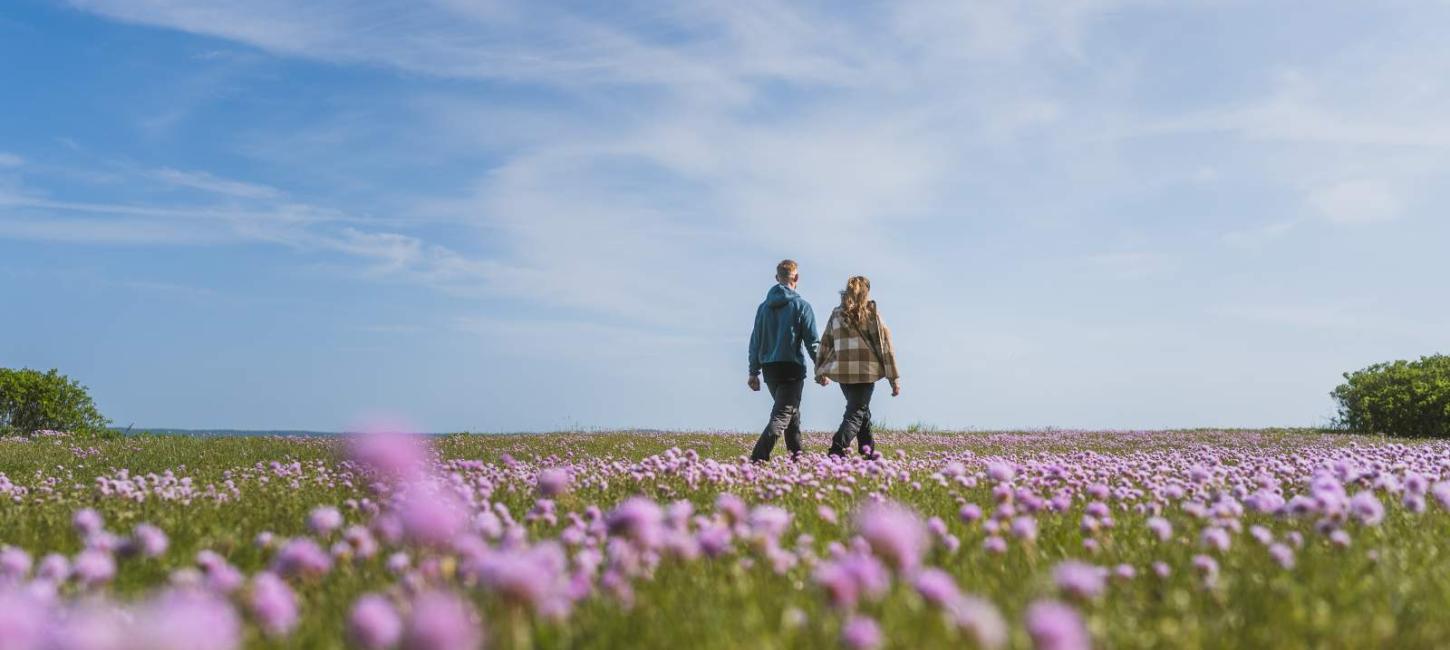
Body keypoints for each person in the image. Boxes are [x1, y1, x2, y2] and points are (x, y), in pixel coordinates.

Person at [815, 275, 901, 459]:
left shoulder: (836, 313)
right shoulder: (871, 314)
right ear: (866, 292)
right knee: (856, 413)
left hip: (843, 372)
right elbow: (885, 346)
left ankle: (869, 454)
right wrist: (893, 378)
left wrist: (820, 369)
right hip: (865, 372)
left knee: (862, 411)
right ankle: (836, 451)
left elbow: (825, 342)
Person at [747, 259, 819, 462]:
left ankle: (798, 457)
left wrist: (754, 372)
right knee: (782, 416)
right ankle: (757, 459)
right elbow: (812, 342)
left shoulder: (763, 308)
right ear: (796, 278)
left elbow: (755, 341)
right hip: (791, 368)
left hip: (770, 370)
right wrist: (821, 368)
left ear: (777, 278)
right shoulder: (802, 306)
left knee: (792, 414)